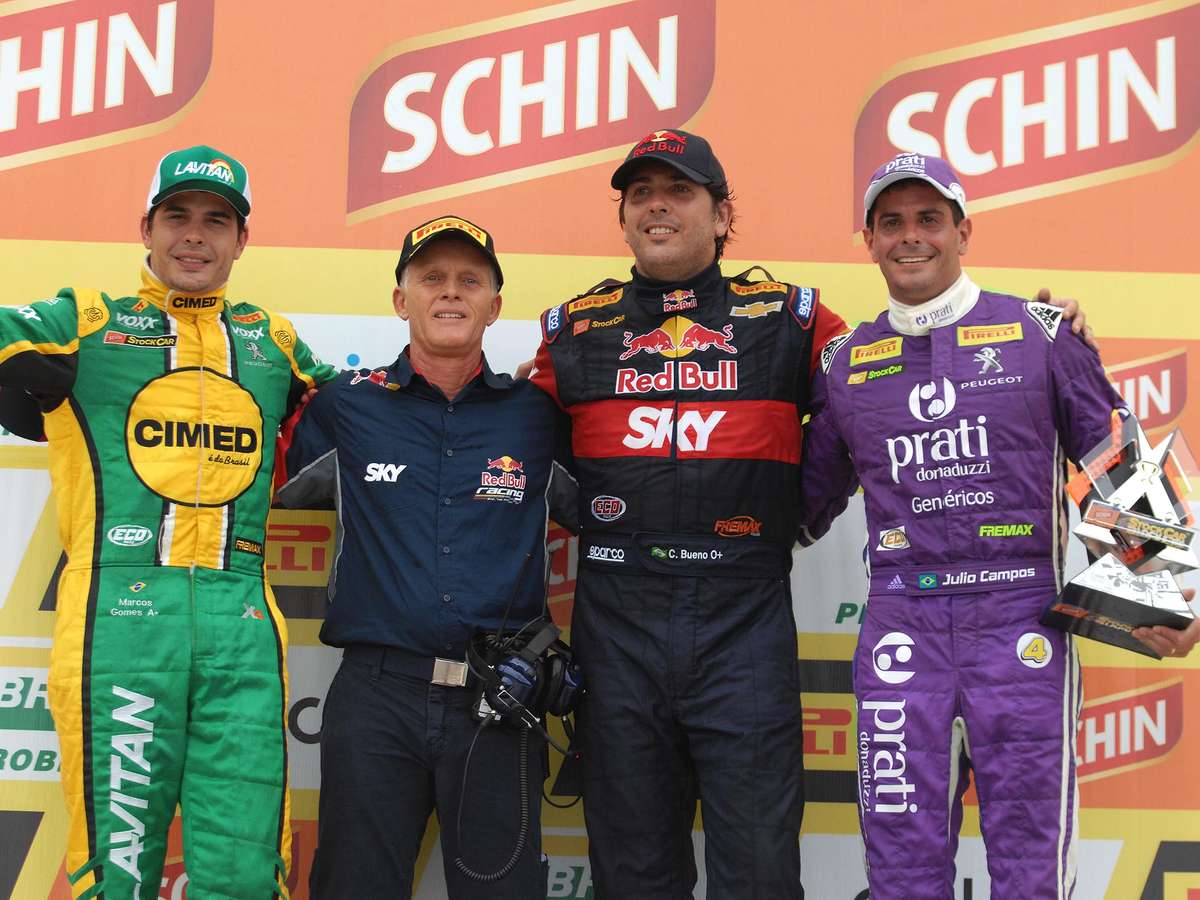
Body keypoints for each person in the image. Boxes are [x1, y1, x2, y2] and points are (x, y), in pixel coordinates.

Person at [797, 152, 1199, 899]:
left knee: (1030, 865)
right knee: (900, 867)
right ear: (869, 241)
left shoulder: (1042, 333)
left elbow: (1114, 454)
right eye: (891, 222)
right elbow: (796, 505)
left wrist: (1171, 590)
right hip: (901, 633)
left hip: (1020, 627)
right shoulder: (846, 363)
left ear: (963, 232)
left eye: (929, 219)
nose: (910, 236)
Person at [0, 145, 335, 898]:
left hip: (242, 620)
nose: (194, 235)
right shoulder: (89, 322)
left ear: (242, 240)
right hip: (117, 620)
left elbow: (371, 414)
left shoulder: (274, 344)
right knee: (116, 871)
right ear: (145, 230)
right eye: (176, 216)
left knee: (247, 874)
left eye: (216, 220)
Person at [530, 130, 849, 898]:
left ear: (722, 214)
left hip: (744, 620)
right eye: (640, 193)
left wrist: (801, 514)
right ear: (623, 219)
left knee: (760, 871)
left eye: (678, 190)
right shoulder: (574, 330)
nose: (657, 206)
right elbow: (513, 446)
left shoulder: (791, 317)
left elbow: (875, 396)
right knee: (634, 873)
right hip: (617, 622)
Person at [278, 216, 571, 899]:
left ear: (494, 306)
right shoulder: (344, 406)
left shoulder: (538, 416)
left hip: (499, 697)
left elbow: (619, 512)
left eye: (470, 280)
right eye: (431, 277)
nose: (450, 292)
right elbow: (251, 480)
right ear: (400, 299)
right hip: (377, 696)